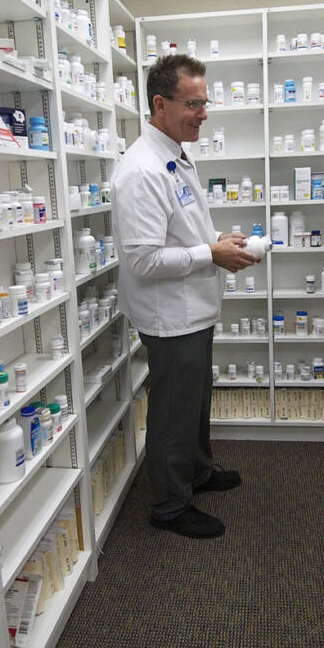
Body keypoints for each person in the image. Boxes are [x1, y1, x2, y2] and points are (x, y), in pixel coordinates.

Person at [110, 54, 259, 539]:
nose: (203, 113)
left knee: (195, 401)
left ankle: (197, 472)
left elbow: (181, 230)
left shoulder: (174, 154)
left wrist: (216, 241)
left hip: (193, 309)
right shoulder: (143, 171)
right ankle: (170, 506)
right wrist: (209, 254)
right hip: (170, 317)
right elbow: (143, 260)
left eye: (204, 102)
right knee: (173, 412)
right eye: (193, 103)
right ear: (160, 103)